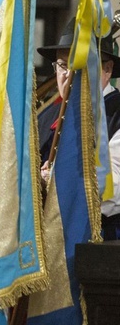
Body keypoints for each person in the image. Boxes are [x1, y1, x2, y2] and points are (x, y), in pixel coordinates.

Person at [36, 20, 120, 239]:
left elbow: (110, 190)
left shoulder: (117, 115)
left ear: (107, 69)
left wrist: (52, 177)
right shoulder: (45, 118)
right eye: (63, 65)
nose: (70, 74)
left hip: (97, 250)